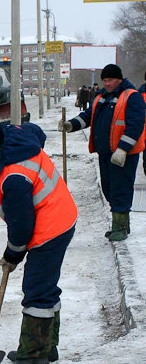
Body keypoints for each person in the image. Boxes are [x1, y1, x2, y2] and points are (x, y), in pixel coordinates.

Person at [0, 120, 77, 364]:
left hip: (51, 227)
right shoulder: (11, 141)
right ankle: (46, 346)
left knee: (37, 290)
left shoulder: (13, 175)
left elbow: (22, 225)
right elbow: (34, 131)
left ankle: (32, 355)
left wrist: (13, 254)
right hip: (59, 216)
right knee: (45, 286)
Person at [59, 64, 145, 241]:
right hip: (105, 153)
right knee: (108, 189)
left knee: (120, 189)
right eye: (104, 80)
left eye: (110, 80)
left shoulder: (132, 97)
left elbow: (136, 126)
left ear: (119, 79)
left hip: (123, 155)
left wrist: (123, 149)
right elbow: (88, 116)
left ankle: (120, 227)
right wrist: (71, 125)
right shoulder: (101, 98)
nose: (107, 84)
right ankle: (121, 224)